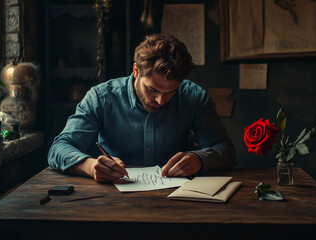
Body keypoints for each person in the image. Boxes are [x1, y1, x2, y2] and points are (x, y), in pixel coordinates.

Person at [48, 34, 236, 182]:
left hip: (176, 197)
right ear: (136, 71)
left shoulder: (194, 97)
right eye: (152, 89)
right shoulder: (101, 97)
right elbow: (59, 149)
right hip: (113, 197)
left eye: (171, 92)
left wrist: (200, 159)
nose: (161, 100)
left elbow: (225, 149)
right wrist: (90, 166)